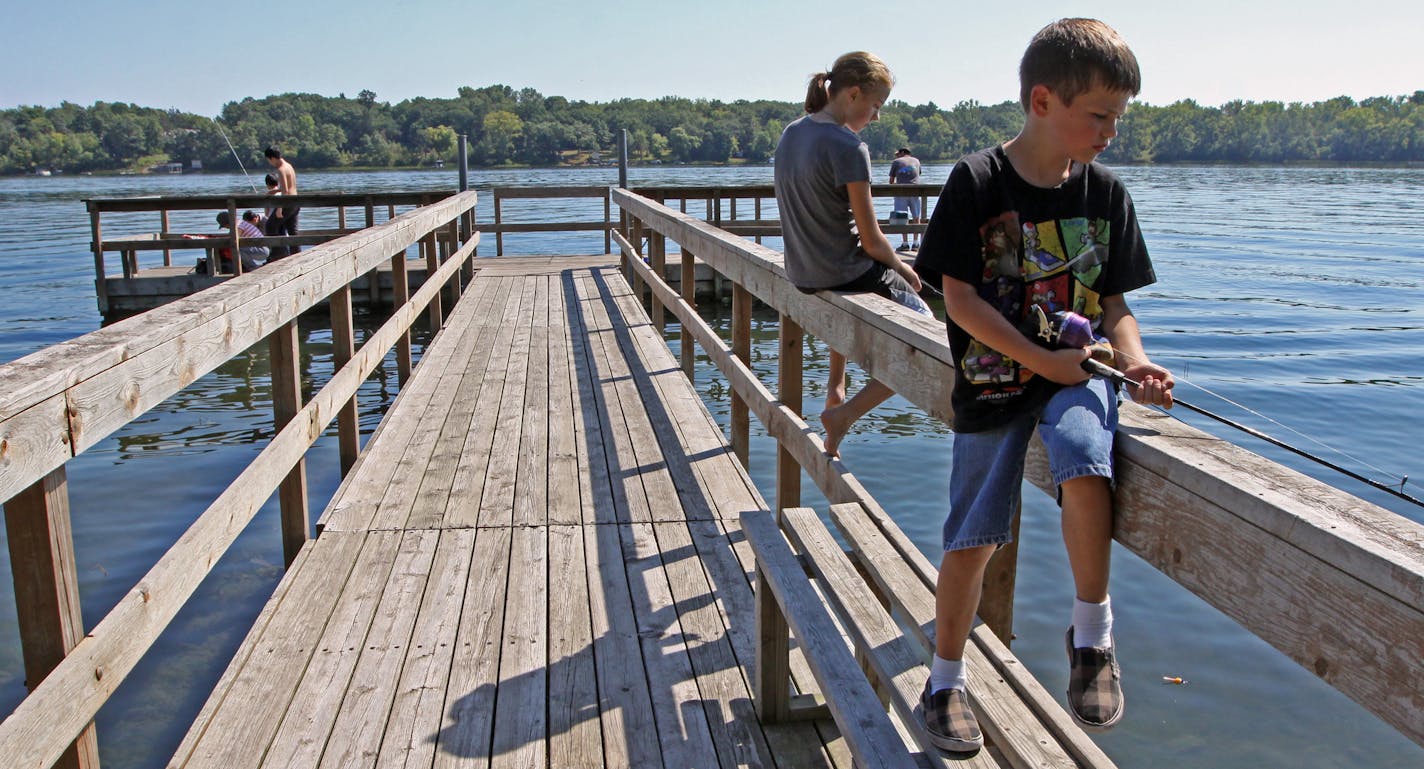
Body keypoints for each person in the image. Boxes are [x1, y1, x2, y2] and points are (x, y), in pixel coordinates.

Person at [911, 18, 1175, 752]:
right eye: (1099, 115)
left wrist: (1136, 360)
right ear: (1041, 101)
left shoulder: (1108, 196)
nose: (1110, 132)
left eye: (1118, 117)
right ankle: (943, 679)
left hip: (1078, 377)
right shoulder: (976, 182)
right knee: (973, 536)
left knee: (1088, 462)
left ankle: (1092, 639)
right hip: (994, 381)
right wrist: (1036, 356)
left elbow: (1116, 305)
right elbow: (957, 300)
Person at [772, 51, 932, 459]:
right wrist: (903, 268)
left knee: (859, 288)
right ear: (854, 94)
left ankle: (834, 386)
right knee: (931, 336)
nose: (876, 117)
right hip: (842, 271)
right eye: (875, 106)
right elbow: (872, 241)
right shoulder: (848, 146)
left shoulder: (792, 132)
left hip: (803, 272)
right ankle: (845, 413)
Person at [264, 146, 299, 256]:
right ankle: (296, 255)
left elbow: (285, 191)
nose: (270, 163)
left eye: (268, 160)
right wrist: (275, 191)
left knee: (270, 226)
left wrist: (279, 208)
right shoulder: (289, 166)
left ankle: (279, 255)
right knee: (292, 232)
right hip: (296, 201)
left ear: (272, 158)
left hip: (286, 203)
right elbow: (290, 186)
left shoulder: (281, 169)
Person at [889, 147, 923, 251]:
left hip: (901, 192)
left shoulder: (896, 162)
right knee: (916, 217)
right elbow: (918, 175)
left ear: (902, 152)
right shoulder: (917, 161)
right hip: (915, 191)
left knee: (902, 218)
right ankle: (916, 243)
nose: (897, 156)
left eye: (898, 154)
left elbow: (891, 181)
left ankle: (905, 243)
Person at [262, 172, 290, 260]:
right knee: (283, 238)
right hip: (283, 221)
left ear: (267, 184)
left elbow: (266, 213)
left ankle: (275, 257)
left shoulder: (268, 195)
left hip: (272, 222)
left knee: (274, 242)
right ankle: (285, 255)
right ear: (277, 182)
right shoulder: (281, 194)